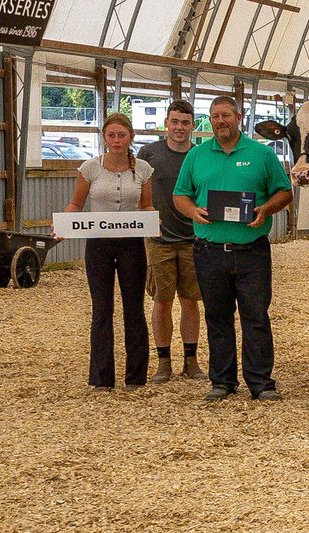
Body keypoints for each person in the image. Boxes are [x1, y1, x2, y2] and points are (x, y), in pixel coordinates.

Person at [173, 95, 292, 402]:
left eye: (226, 115)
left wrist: (265, 209)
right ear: (209, 120)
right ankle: (222, 381)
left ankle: (261, 383)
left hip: (251, 250)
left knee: (256, 317)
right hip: (209, 250)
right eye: (215, 116)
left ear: (238, 118)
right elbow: (180, 195)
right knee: (217, 317)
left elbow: (284, 192)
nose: (220, 121)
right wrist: (193, 212)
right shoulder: (197, 155)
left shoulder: (261, 154)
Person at [64, 114, 154, 391]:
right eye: (111, 135)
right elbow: (76, 205)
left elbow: (147, 205)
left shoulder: (142, 169)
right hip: (99, 244)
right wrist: (63, 224)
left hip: (131, 243)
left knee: (134, 309)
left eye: (121, 135)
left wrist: (155, 219)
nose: (116, 140)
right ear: (104, 138)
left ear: (130, 137)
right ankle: (102, 378)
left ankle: (136, 377)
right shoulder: (90, 168)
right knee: (101, 309)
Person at [136, 99, 206, 383]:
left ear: (193, 126)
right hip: (159, 239)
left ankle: (191, 360)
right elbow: (138, 189)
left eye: (185, 123)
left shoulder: (201, 155)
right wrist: (145, 216)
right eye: (175, 122)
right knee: (161, 301)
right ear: (167, 123)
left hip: (193, 238)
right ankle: (163, 361)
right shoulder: (149, 153)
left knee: (191, 301)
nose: (180, 127)